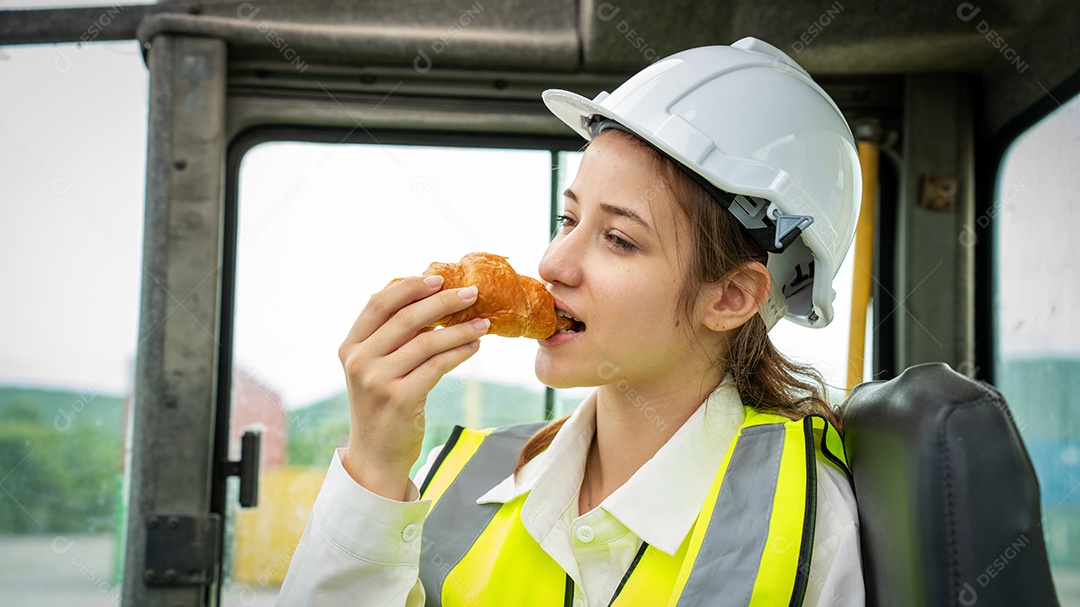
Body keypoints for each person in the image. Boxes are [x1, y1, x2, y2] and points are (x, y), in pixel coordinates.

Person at [278, 37, 864, 606]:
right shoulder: (447, 479)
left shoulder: (812, 522)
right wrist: (374, 467)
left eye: (617, 239)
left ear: (732, 297)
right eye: (567, 218)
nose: (552, 263)